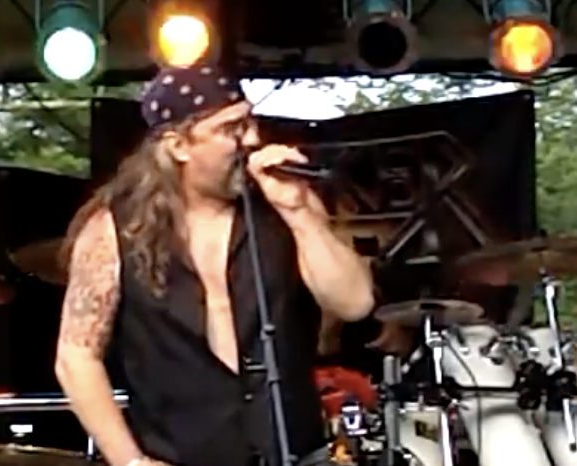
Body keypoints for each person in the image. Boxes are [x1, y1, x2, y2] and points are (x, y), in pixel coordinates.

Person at [54, 64, 374, 466]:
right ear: (178, 146)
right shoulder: (114, 231)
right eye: (231, 129)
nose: (252, 139)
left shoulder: (285, 207)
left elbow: (355, 303)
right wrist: (130, 461)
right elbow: (76, 357)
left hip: (296, 454)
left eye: (250, 122)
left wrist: (298, 213)